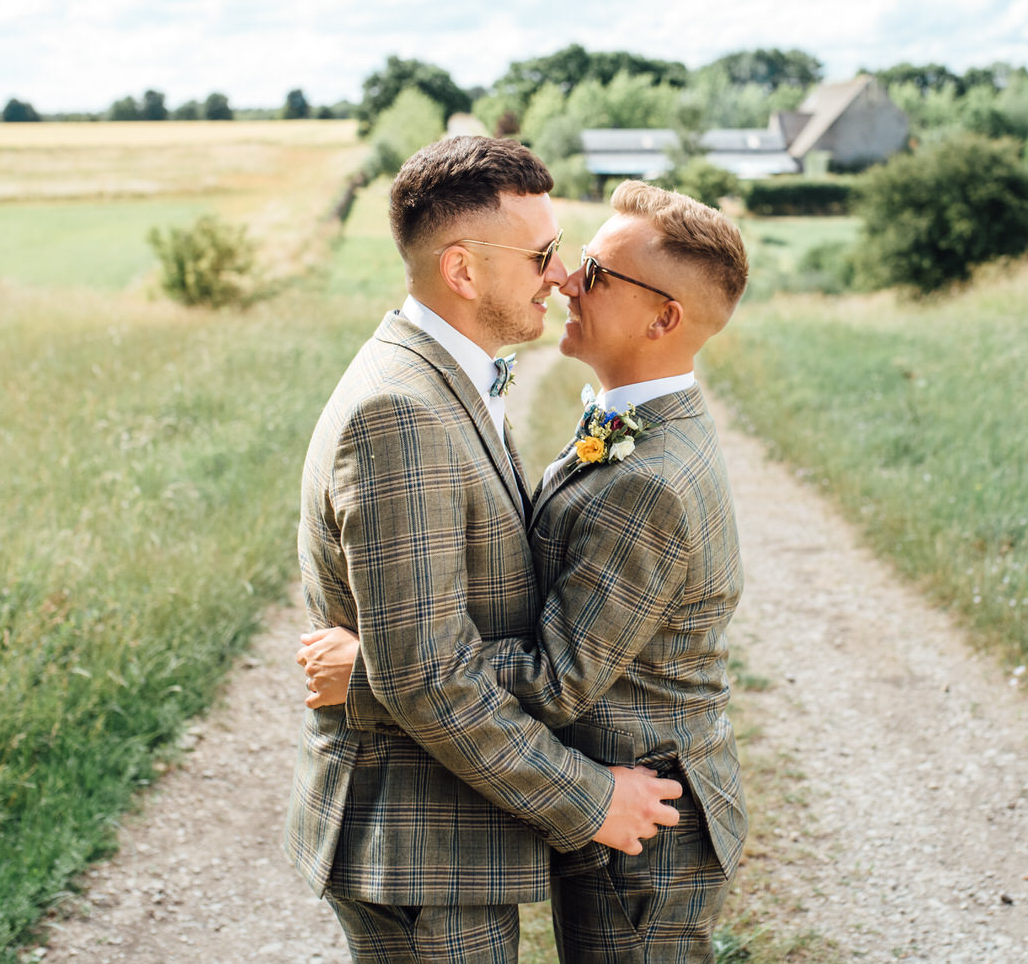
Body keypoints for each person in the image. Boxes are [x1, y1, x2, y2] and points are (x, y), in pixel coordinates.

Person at [304, 180, 751, 963]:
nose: (567, 279)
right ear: (463, 270)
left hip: (651, 815)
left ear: (663, 318)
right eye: (559, 258)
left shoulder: (649, 475)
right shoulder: (612, 420)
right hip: (517, 820)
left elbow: (554, 677)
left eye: (593, 271)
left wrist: (370, 673)